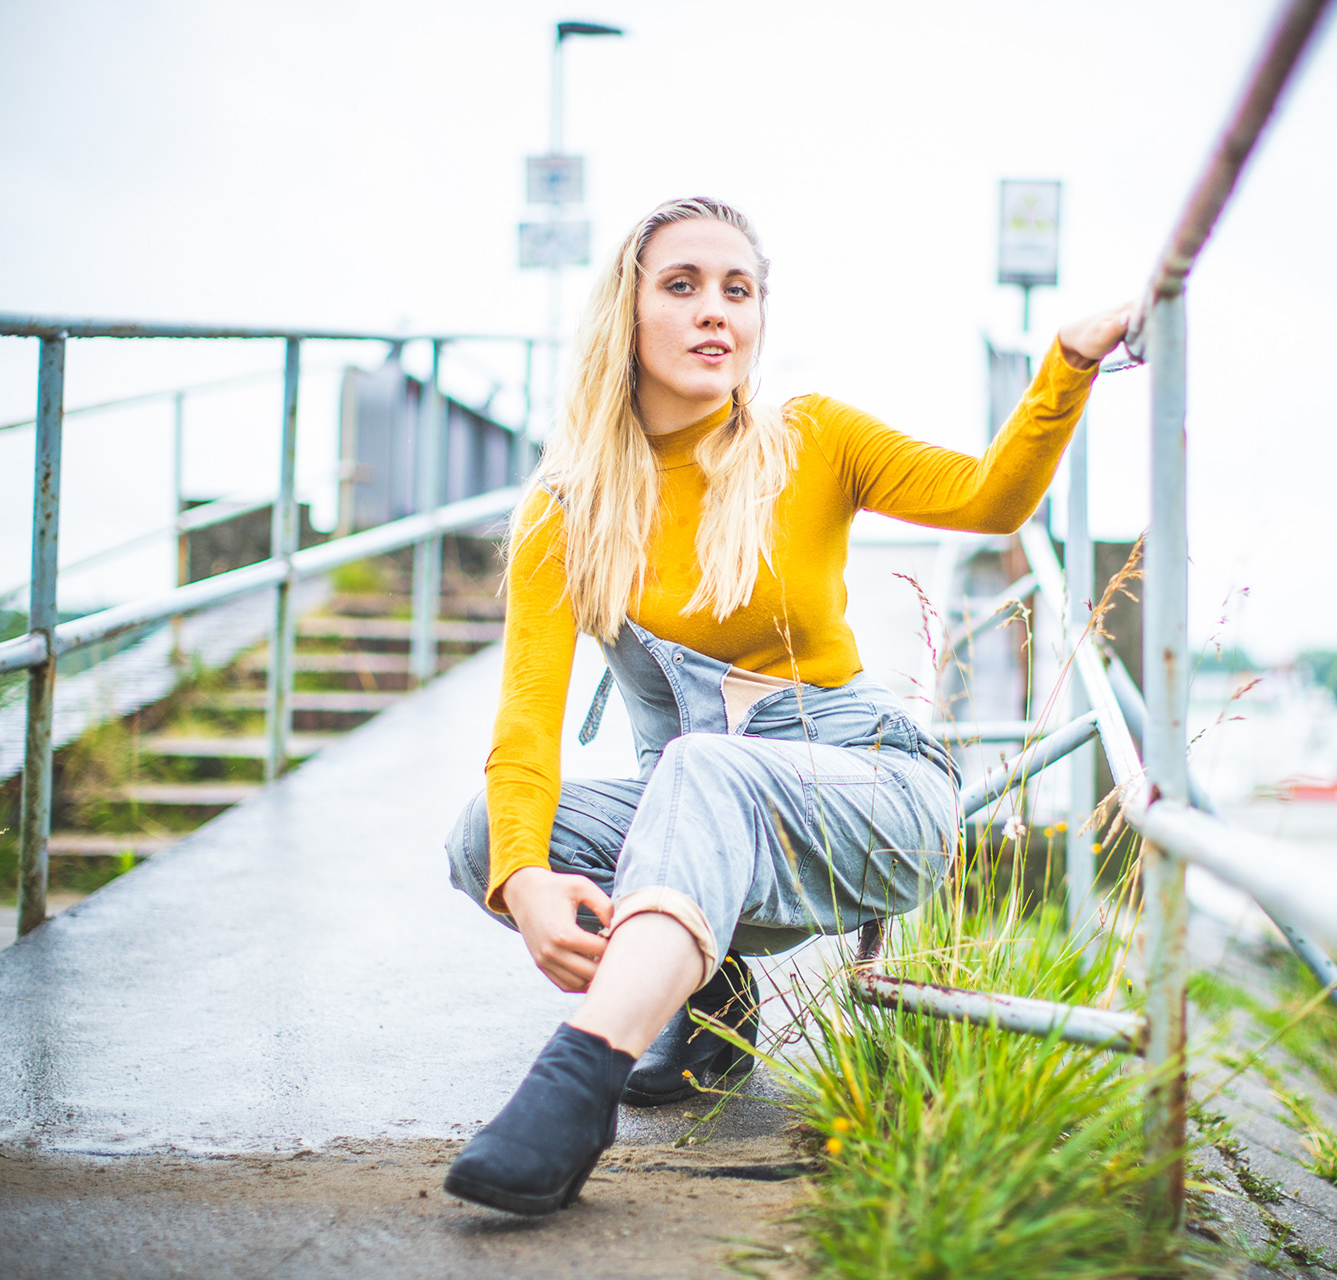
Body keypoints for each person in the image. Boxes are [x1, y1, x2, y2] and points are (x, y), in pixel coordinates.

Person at [442, 195, 1132, 1215]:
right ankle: (711, 999)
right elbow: (524, 732)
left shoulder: (812, 439)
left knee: (700, 767)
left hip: (871, 791)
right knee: (488, 837)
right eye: (682, 286)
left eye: (739, 290)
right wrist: (525, 880)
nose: (716, 310)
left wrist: (1067, 363)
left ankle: (576, 1085)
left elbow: (991, 499)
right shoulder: (566, 512)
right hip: (700, 813)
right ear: (625, 314)